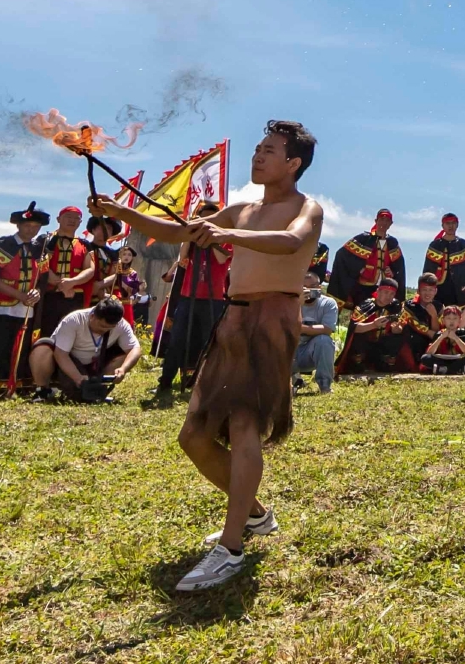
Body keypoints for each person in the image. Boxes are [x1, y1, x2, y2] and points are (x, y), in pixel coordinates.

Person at [94, 119, 323, 592]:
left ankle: (232, 548)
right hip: (232, 321)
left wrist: (227, 237)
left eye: (269, 150)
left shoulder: (307, 207)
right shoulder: (240, 209)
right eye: (257, 147)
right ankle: (256, 514)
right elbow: (175, 230)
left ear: (293, 163)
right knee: (194, 436)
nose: (258, 155)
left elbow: (292, 242)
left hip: (273, 321)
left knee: (243, 427)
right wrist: (124, 212)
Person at [155, 202, 233, 395]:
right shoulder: (191, 242)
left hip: (213, 299)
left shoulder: (225, 240)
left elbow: (222, 258)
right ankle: (165, 382)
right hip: (188, 297)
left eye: (210, 218)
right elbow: (182, 258)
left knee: (210, 343)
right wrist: (191, 233)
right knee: (177, 339)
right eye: (203, 217)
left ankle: (208, 383)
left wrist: (211, 236)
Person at [0, 203, 46, 399]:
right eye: (27, 225)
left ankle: (10, 387)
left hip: (25, 310)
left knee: (15, 351)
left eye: (35, 226)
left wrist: (36, 294)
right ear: (18, 226)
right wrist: (19, 295)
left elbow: (42, 280)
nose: (31, 230)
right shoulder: (2, 245)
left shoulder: (41, 250)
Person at [27, 206, 99, 391]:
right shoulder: (45, 240)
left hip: (74, 298)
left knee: (70, 338)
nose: (72, 220)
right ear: (59, 219)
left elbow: (90, 269)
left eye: (76, 218)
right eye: (68, 217)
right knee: (46, 335)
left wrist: (72, 283)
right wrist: (60, 284)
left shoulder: (85, 244)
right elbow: (40, 263)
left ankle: (65, 379)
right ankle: (39, 379)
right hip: (49, 296)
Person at [34, 299, 141, 402]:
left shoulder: (122, 325)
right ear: (92, 316)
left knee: (124, 356)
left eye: (110, 328)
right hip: (66, 364)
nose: (104, 330)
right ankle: (43, 390)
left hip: (96, 364)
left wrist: (123, 369)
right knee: (43, 347)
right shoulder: (73, 320)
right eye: (102, 326)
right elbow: (60, 354)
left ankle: (98, 388)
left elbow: (134, 349)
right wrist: (77, 377)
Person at [328, 209, 405, 311]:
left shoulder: (392, 242)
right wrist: (359, 269)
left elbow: (398, 266)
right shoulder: (363, 239)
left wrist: (392, 271)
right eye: (382, 219)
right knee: (361, 313)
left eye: (387, 221)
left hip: (384, 287)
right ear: (376, 221)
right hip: (363, 285)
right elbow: (342, 255)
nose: (384, 223)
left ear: (391, 224)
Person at [336, 279, 416, 375]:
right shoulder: (366, 305)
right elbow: (354, 328)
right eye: (386, 292)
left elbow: (399, 330)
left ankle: (386, 364)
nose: (389, 297)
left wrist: (397, 329)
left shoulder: (396, 307)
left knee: (399, 337)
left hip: (382, 347)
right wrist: (373, 325)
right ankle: (358, 364)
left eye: (392, 294)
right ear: (378, 291)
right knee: (358, 337)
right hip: (365, 346)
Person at [292, 271, 339, 394]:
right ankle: (291, 382)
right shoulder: (290, 303)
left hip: (311, 354)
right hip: (289, 353)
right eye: (304, 287)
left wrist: (298, 327)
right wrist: (297, 304)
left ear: (319, 287)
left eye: (312, 286)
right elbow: (283, 328)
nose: (308, 290)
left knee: (324, 340)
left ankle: (325, 386)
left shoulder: (328, 303)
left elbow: (327, 329)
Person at [422, 213, 465, 307]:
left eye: (453, 223)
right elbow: (428, 269)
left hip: (457, 288)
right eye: (447, 223)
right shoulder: (435, 245)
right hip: (438, 287)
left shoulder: (463, 244)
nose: (451, 226)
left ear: (457, 225)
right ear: (443, 226)